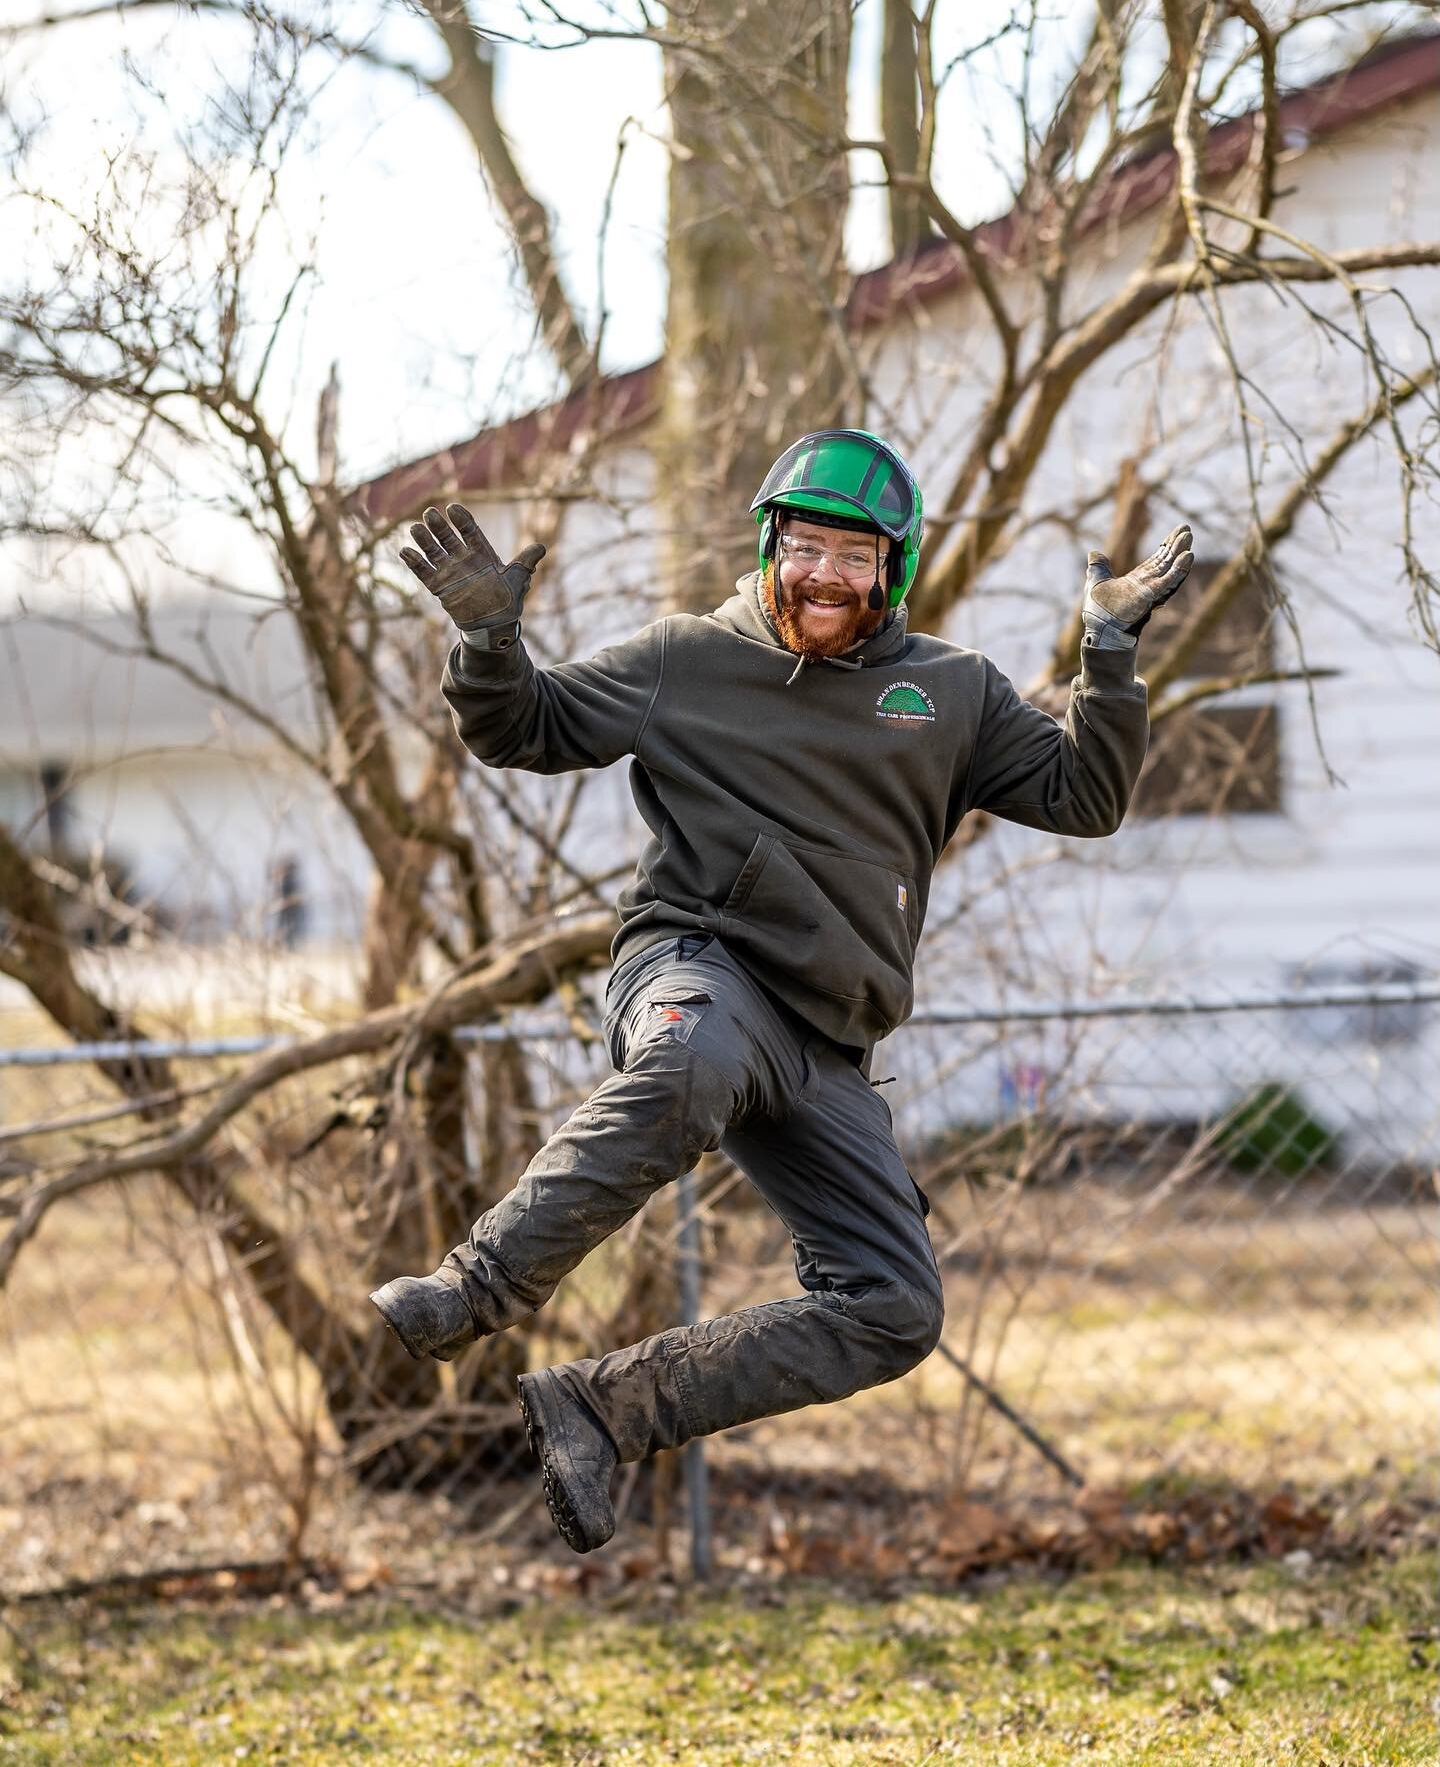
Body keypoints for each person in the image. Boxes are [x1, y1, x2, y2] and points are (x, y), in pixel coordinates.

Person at [370, 428, 1192, 1553]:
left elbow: (1085, 797)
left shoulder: (950, 691)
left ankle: (603, 1411)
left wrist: (1107, 656)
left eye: (853, 557)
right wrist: (487, 638)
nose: (823, 574)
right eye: (805, 545)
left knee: (894, 1310)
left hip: (826, 1036)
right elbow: (526, 727)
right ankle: (470, 1295)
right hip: (700, 965)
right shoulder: (684, 659)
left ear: (889, 572)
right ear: (771, 545)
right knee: (688, 1064)